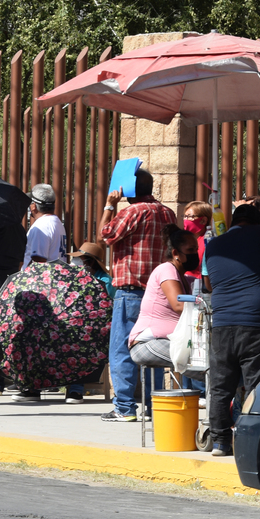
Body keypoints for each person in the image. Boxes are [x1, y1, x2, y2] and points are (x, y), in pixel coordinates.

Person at [202, 204, 260, 456]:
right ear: (257, 222)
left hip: (222, 324)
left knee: (220, 387)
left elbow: (208, 284)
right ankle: (253, 441)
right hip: (255, 322)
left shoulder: (213, 244)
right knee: (256, 385)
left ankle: (220, 442)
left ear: (233, 222)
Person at [99, 168, 177, 422]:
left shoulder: (132, 212)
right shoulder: (167, 212)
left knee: (122, 348)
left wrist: (110, 206)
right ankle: (154, 406)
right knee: (153, 348)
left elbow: (105, 235)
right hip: (159, 293)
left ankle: (124, 407)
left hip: (131, 291)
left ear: (130, 188)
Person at [12, 183, 69, 403]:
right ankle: (42, 383)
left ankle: (32, 388)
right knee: (44, 340)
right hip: (54, 287)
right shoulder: (57, 223)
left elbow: (38, 260)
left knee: (32, 339)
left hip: (38, 290)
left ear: (34, 206)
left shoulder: (39, 227)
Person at [127, 225, 196, 367]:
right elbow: (179, 305)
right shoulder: (167, 269)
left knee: (206, 362)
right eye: (190, 250)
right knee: (203, 363)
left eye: (196, 250)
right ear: (175, 253)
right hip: (148, 343)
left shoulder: (186, 280)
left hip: (168, 341)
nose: (195, 254)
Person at [22, 183, 66, 268]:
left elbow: (38, 261)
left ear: (34, 206)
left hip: (40, 276)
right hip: (55, 274)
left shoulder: (41, 226)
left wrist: (23, 274)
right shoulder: (56, 221)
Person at [181, 201, 212, 280]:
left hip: (199, 283)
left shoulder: (208, 240)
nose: (186, 219)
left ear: (203, 220)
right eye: (185, 216)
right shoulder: (182, 239)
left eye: (190, 216)